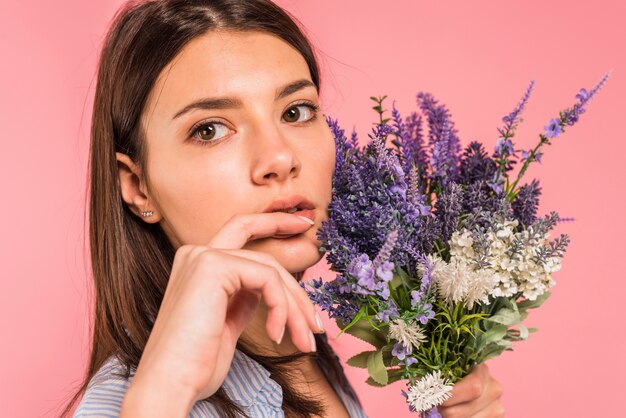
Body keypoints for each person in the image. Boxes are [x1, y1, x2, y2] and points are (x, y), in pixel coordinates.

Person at [63, 0, 505, 417]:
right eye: (210, 129)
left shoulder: (308, 355)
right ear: (139, 187)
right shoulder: (131, 401)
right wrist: (166, 390)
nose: (279, 158)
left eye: (295, 112)